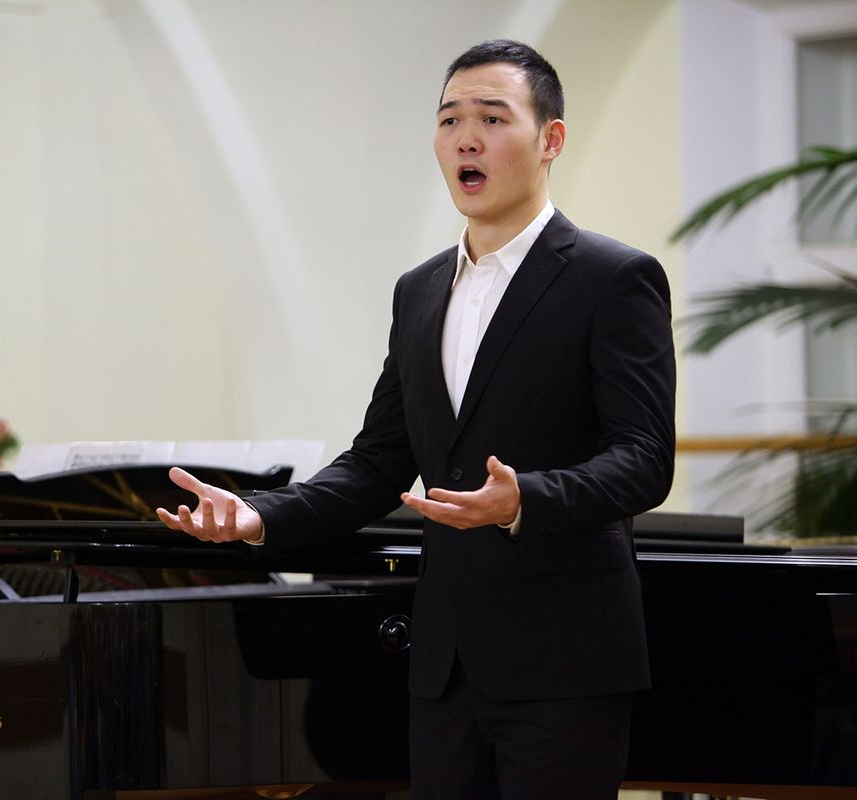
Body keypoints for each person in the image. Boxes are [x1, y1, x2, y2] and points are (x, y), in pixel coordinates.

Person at [156, 40, 675, 799]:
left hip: (565, 658)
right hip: (444, 663)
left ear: (551, 139)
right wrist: (259, 516)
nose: (466, 138)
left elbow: (643, 457)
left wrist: (525, 499)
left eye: (492, 118)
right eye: (449, 119)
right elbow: (378, 461)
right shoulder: (420, 290)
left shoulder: (613, 277)